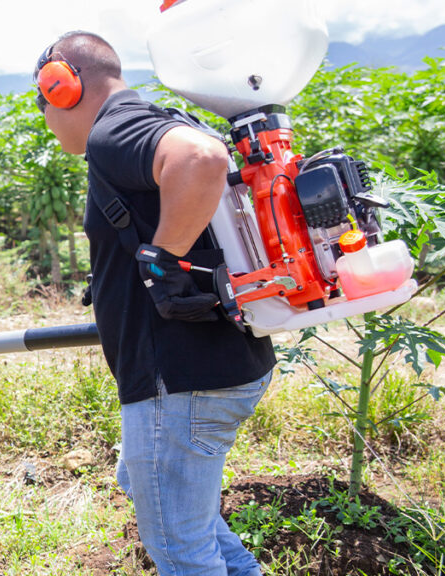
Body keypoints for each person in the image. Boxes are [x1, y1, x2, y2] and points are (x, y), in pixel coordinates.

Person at [33, 31, 277, 576]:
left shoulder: (115, 129)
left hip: (181, 378)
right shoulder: (149, 121)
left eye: (41, 100)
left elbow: (201, 159)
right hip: (214, 367)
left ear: (62, 86)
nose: (45, 115)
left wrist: (162, 257)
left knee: (182, 553)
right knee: (145, 488)